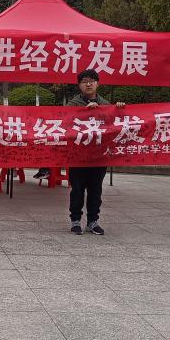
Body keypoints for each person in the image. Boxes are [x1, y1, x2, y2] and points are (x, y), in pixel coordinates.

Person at [67, 69, 125, 235]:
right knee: (77, 189)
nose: (88, 84)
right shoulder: (72, 105)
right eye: (84, 81)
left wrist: (119, 109)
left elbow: (114, 126)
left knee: (96, 190)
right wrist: (85, 111)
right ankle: (75, 220)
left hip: (99, 155)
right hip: (78, 155)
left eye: (92, 81)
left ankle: (93, 221)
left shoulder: (106, 104)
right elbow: (67, 125)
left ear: (97, 84)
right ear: (79, 85)